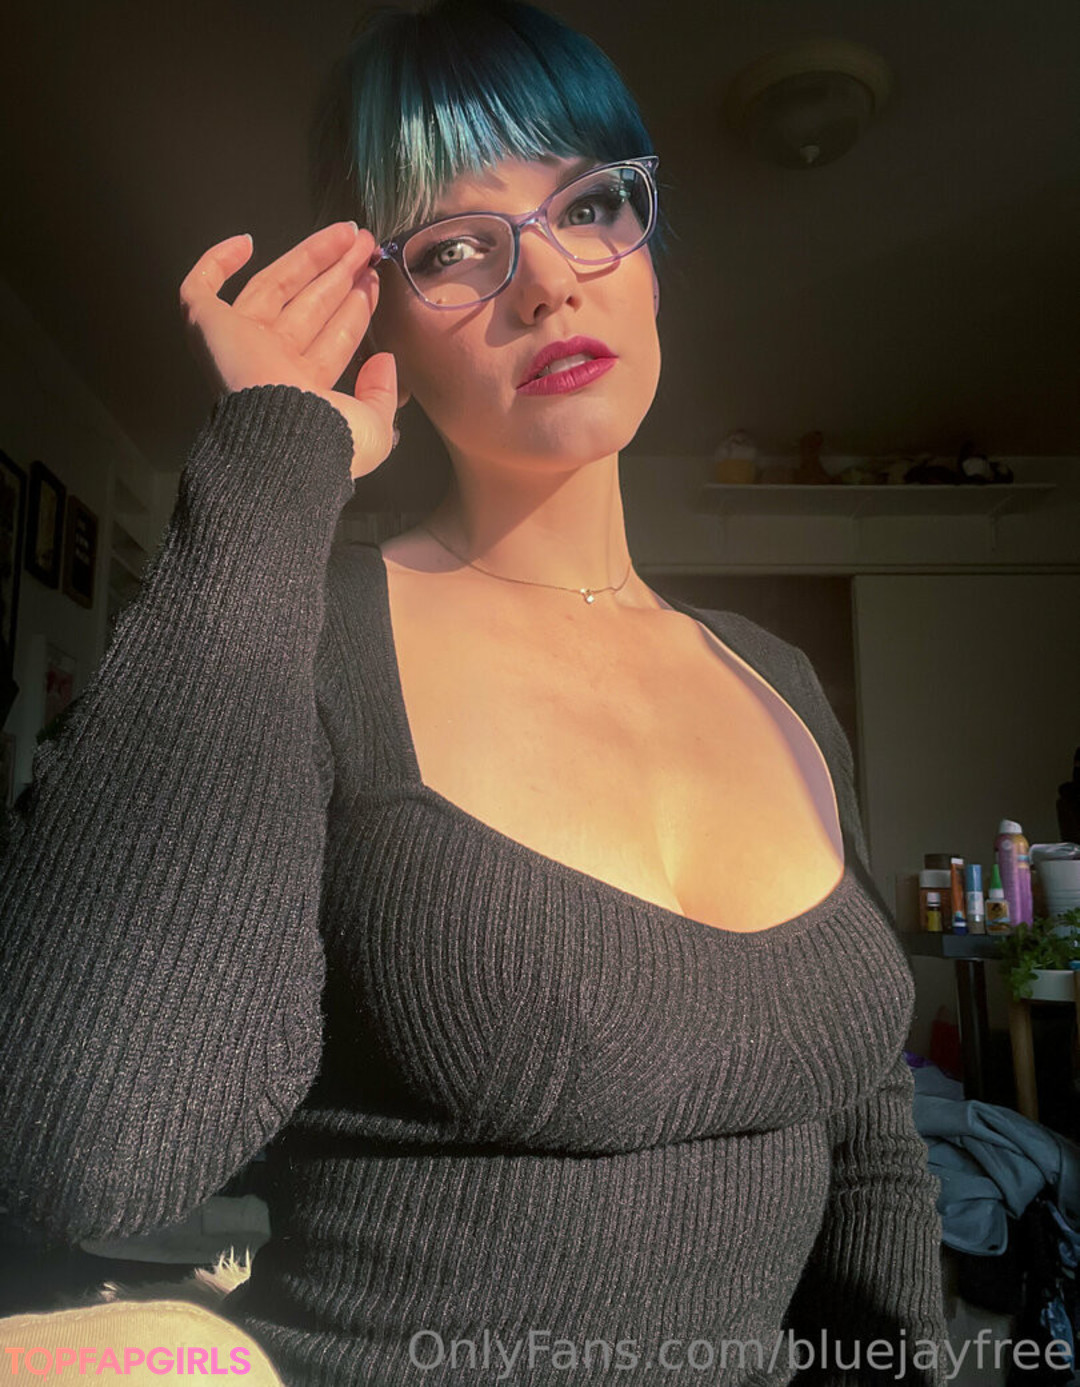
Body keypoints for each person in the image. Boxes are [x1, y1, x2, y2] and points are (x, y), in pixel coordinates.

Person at [0, 1, 949, 1382]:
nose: (547, 284)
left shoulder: (780, 679)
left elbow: (867, 1149)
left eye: (590, 206)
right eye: (453, 248)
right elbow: (94, 1150)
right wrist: (274, 459)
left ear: (650, 254)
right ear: (376, 310)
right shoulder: (309, 637)